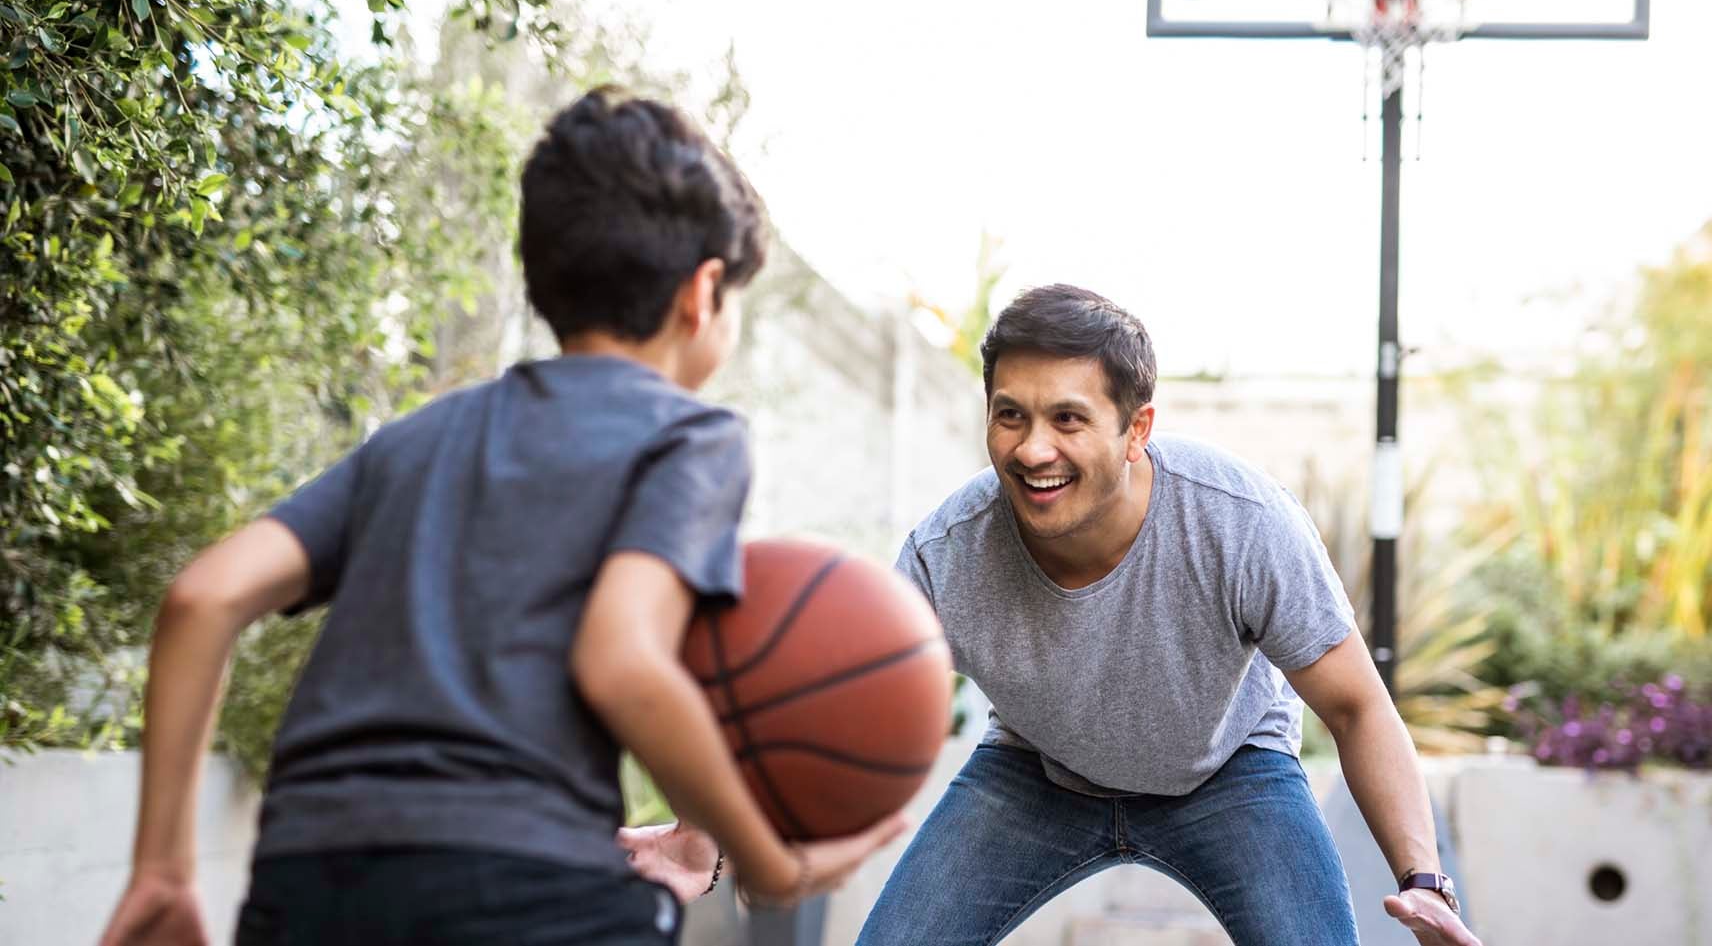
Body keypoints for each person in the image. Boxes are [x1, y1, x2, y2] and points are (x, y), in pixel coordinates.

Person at [97, 87, 904, 946]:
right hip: (523, 888)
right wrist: (769, 863)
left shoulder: (418, 436)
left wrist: (162, 869)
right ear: (703, 295)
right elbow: (624, 661)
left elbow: (202, 597)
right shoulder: (690, 436)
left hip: (309, 880)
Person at [856, 284, 1482, 946]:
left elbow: (1358, 707)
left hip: (1231, 771)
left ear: (1137, 430)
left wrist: (1424, 878)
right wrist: (738, 817)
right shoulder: (947, 556)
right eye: (1010, 415)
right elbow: (854, 709)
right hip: (1037, 771)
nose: (1033, 449)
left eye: (1068, 419)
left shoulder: (1239, 521)